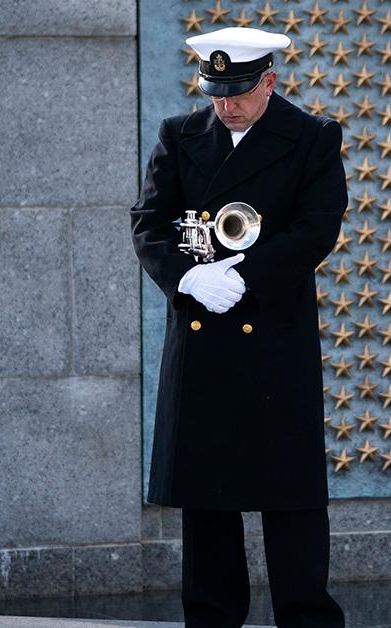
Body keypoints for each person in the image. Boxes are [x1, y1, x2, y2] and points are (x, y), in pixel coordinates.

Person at [130, 25, 347, 628]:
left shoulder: (311, 137)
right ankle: (211, 620)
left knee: (291, 497)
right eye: (215, 89)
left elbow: (318, 226)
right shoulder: (181, 135)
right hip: (202, 335)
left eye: (239, 91)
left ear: (269, 81)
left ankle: (306, 621)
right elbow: (148, 220)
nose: (225, 103)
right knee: (206, 499)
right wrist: (188, 279)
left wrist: (247, 276)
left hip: (274, 335)